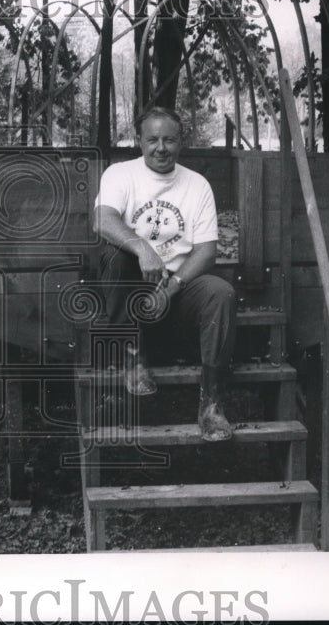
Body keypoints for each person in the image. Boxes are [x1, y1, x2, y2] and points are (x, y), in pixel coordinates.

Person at [93, 106, 236, 442]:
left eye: (169, 140)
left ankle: (212, 405)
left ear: (181, 142)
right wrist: (142, 248)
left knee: (221, 292)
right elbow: (102, 220)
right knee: (113, 256)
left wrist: (171, 286)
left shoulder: (197, 185)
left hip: (179, 285)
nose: (161, 148)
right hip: (133, 284)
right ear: (139, 141)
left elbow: (206, 250)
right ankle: (133, 358)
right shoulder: (119, 175)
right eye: (152, 139)